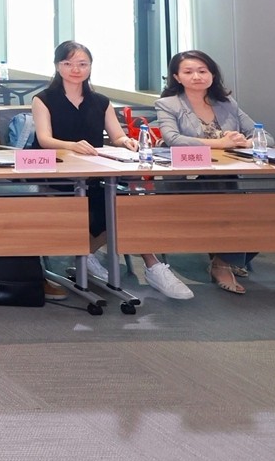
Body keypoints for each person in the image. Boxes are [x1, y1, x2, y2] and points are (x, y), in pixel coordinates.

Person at [27, 40, 189, 300]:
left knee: (128, 203)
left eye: (82, 64)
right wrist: (71, 145)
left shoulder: (101, 101)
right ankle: (88, 254)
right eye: (68, 63)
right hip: (58, 174)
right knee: (110, 204)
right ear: (58, 66)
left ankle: (152, 266)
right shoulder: (44, 99)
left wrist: (126, 141)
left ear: (90, 67)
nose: (75, 69)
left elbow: (116, 136)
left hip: (96, 173)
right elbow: (45, 139)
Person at [153, 49, 260, 294]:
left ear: (212, 74)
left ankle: (225, 258)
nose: (196, 76)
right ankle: (224, 262)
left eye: (202, 71)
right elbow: (172, 139)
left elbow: (264, 135)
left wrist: (247, 142)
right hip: (186, 180)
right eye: (188, 72)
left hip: (226, 177)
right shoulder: (168, 104)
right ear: (177, 77)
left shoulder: (227, 104)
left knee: (260, 206)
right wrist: (219, 144)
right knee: (233, 199)